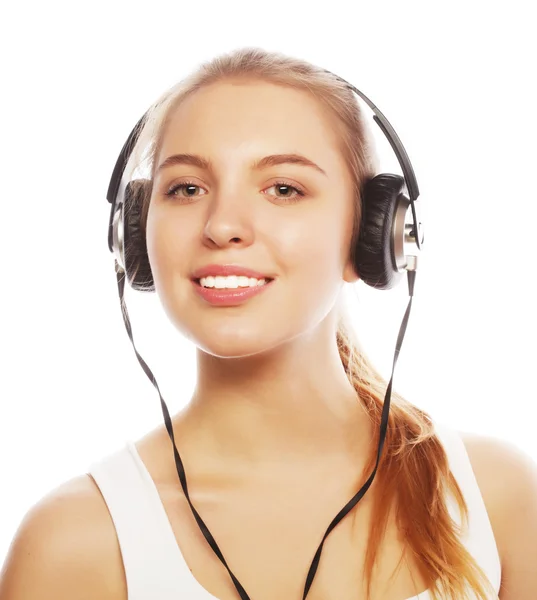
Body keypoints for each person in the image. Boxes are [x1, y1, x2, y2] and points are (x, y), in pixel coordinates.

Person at [1, 47, 536, 600]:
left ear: (375, 236)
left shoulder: (493, 498)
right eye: (187, 188)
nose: (223, 225)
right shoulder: (74, 544)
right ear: (132, 240)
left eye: (284, 188)